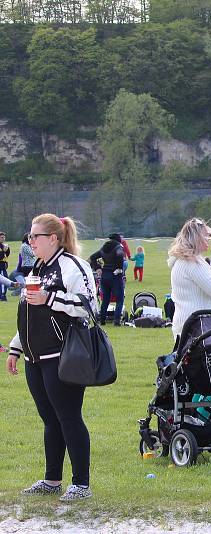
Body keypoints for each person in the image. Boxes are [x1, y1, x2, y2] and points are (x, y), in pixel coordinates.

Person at [6, 214, 98, 501]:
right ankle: (52, 480)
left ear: (54, 238)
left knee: (69, 417)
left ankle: (81, 484)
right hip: (36, 358)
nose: (30, 241)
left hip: (64, 355)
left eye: (35, 236)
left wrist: (51, 298)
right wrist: (16, 346)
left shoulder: (73, 266)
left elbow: (88, 307)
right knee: (50, 419)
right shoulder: (37, 267)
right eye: (30, 236)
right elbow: (30, 314)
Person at [89, 233, 126, 326]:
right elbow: (120, 255)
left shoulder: (104, 248)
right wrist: (119, 268)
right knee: (119, 299)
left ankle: (102, 321)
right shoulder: (118, 247)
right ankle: (117, 321)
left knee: (105, 299)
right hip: (115, 275)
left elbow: (93, 257)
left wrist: (97, 268)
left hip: (104, 275)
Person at [0, 231, 10, 301]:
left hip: (3, 266)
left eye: (4, 237)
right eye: (2, 237)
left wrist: (7, 250)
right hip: (1, 266)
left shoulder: (3, 245)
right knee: (4, 281)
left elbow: (7, 255)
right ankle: (3, 296)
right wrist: (3, 251)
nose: (3, 239)